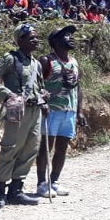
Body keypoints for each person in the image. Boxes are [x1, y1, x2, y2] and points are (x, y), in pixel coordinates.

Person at [0, 23, 46, 210]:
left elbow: (39, 86)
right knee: (10, 148)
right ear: (20, 40)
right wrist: (7, 95)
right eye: (31, 37)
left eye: (36, 36)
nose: (36, 40)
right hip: (17, 110)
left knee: (30, 148)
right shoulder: (10, 59)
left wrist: (44, 96)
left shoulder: (36, 63)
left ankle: (16, 190)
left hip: (35, 110)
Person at [36, 25, 87, 198]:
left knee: (62, 147)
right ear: (55, 41)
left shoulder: (74, 61)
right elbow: (36, 85)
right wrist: (41, 102)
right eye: (66, 35)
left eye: (71, 35)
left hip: (69, 111)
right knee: (46, 147)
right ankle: (42, 184)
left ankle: (55, 181)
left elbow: (78, 87)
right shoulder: (46, 61)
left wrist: (79, 110)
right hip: (51, 111)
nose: (71, 38)